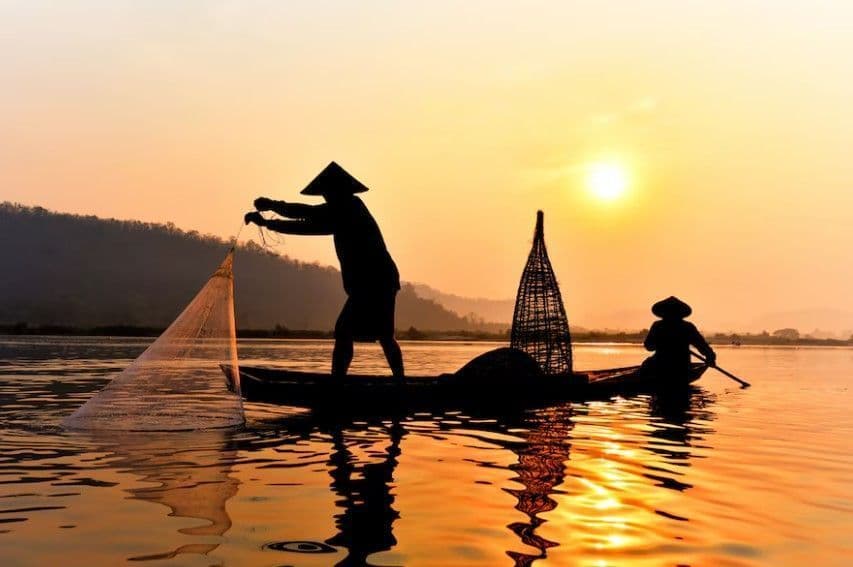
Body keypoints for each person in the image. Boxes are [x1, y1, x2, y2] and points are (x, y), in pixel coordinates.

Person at [244, 161, 404, 381]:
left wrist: (272, 206)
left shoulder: (350, 208)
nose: (326, 197)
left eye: (328, 193)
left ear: (338, 191)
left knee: (350, 331)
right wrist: (269, 222)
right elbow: (307, 225)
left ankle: (346, 384)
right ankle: (394, 383)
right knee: (377, 334)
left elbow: (307, 214)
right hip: (376, 282)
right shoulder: (338, 213)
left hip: (377, 281)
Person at [643, 296, 716, 379]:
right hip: (681, 366)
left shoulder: (658, 325)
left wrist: (710, 357)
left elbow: (649, 347)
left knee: (647, 365)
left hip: (662, 365)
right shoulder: (687, 326)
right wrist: (710, 357)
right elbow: (702, 346)